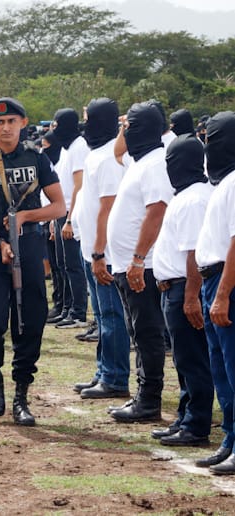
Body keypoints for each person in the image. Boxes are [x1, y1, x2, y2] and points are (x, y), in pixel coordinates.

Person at [0, 98, 65, 426]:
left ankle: (21, 394)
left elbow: (59, 206)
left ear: (23, 122)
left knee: (30, 319)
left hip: (30, 246)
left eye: (12, 122)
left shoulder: (37, 157)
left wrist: (25, 217)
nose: (6, 128)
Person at [106, 101, 172, 423]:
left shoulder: (156, 163)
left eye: (131, 126)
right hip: (129, 264)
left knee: (146, 333)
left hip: (142, 266)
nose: (126, 133)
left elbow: (156, 210)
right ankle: (142, 395)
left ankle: (148, 401)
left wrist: (137, 258)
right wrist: (124, 128)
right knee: (138, 332)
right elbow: (119, 149)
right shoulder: (141, 160)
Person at [151, 133, 214, 446]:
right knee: (184, 360)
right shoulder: (188, 194)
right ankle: (185, 416)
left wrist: (191, 297)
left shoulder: (194, 199)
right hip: (173, 288)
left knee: (193, 361)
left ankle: (196, 424)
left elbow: (193, 254)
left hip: (183, 290)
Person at [71, 98, 131, 400]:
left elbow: (108, 207)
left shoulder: (110, 158)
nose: (84, 123)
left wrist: (99, 252)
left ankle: (115, 377)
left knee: (111, 315)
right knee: (102, 315)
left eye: (88, 117)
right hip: (89, 248)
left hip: (102, 252)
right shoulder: (97, 153)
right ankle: (102, 371)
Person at [194, 111, 235, 473]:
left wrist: (223, 294)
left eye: (212, 139)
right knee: (221, 369)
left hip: (227, 282)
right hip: (212, 280)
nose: (208, 147)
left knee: (233, 368)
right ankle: (230, 439)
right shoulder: (222, 182)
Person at [49, 108, 89, 328]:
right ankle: (66, 307)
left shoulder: (79, 147)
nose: (54, 129)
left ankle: (78, 313)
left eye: (57, 124)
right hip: (61, 212)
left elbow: (78, 186)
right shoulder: (66, 149)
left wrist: (70, 219)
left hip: (70, 213)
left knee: (74, 265)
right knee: (62, 264)